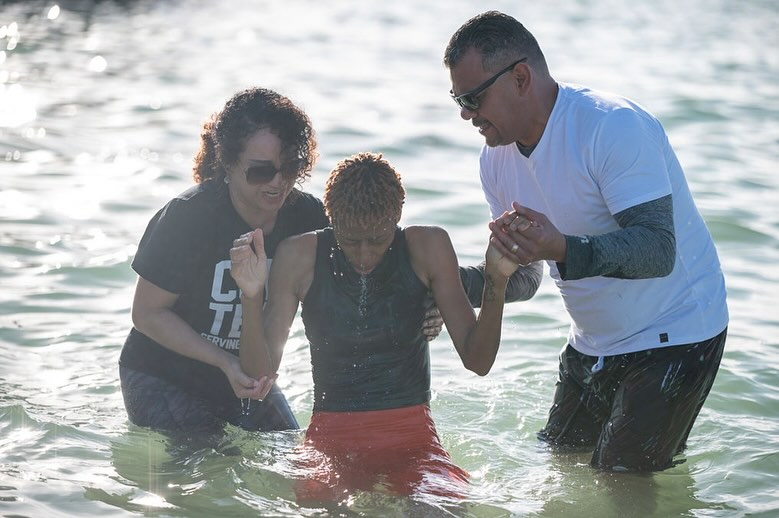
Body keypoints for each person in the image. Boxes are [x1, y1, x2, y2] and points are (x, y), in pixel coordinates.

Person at [119, 87, 539, 439]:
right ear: (228, 162)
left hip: (249, 373)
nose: (279, 183)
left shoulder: (308, 221)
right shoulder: (188, 217)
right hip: (163, 371)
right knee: (207, 461)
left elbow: (382, 263)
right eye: (262, 172)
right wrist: (223, 362)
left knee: (283, 449)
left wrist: (429, 305)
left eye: (292, 168)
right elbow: (147, 313)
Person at [444, 11, 728, 472]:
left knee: (618, 478)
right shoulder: (494, 161)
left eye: (474, 97)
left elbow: (658, 249)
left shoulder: (610, 126)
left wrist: (563, 248)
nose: (465, 113)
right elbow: (526, 278)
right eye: (457, 98)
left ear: (520, 78)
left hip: (679, 332)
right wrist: (444, 287)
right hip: (593, 343)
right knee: (561, 470)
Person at [230, 152, 523, 502]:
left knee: (437, 509)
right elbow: (259, 374)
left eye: (378, 240)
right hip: (329, 441)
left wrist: (496, 281)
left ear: (397, 217)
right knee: (321, 505)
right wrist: (250, 294)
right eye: (351, 241)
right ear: (332, 219)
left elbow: (479, 361)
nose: (365, 255)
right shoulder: (299, 256)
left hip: (414, 437)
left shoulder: (428, 246)